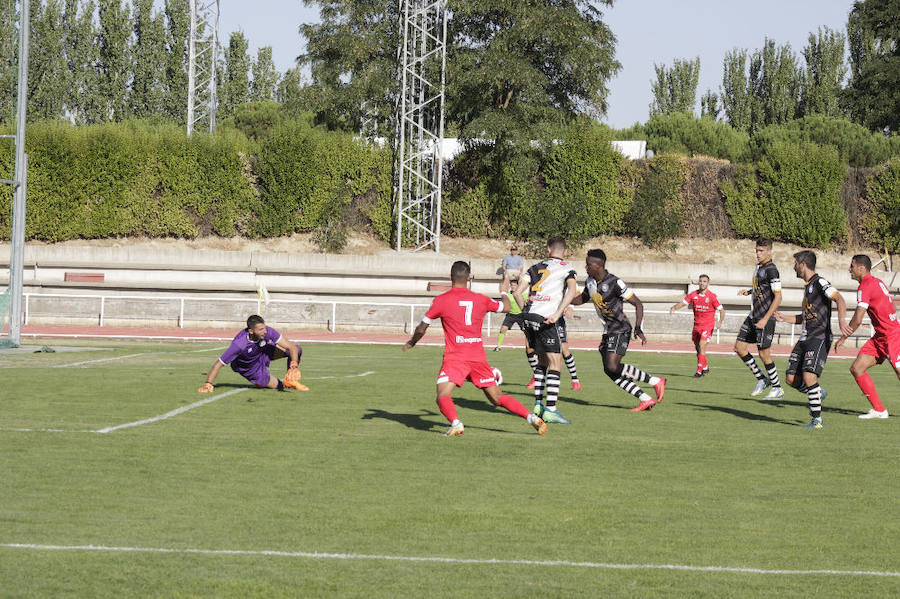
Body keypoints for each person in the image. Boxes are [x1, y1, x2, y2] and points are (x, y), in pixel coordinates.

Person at [403, 260, 547, 437]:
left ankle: (456, 423)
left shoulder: (441, 300)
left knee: (443, 395)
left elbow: (421, 327)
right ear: (469, 278)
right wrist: (503, 291)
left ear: (450, 277)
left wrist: (412, 342)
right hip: (478, 358)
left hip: (455, 358)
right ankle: (531, 417)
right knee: (497, 398)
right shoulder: (480, 299)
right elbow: (507, 307)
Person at [571, 249, 666, 412]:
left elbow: (638, 304)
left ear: (599, 265)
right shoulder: (590, 281)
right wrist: (563, 300)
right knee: (610, 370)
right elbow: (581, 299)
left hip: (620, 329)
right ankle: (645, 399)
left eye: (588, 264)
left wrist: (638, 327)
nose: (585, 267)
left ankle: (655, 381)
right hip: (607, 331)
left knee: (612, 366)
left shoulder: (615, 283)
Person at [774, 251, 850, 429]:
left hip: (819, 336)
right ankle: (817, 393)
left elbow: (839, 299)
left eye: (795, 264)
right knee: (791, 379)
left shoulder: (820, 282)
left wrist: (841, 321)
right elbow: (806, 316)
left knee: (809, 376)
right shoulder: (807, 286)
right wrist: (785, 318)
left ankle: (817, 420)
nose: (793, 267)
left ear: (802, 264)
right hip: (804, 337)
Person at [514, 236, 580, 423]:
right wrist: (559, 312)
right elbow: (572, 291)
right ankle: (551, 409)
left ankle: (538, 404)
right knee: (555, 363)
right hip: (548, 319)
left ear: (548, 249)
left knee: (541, 362)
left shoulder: (534, 267)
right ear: (565, 251)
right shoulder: (567, 268)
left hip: (530, 318)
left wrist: (526, 310)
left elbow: (518, 292)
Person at [834, 254, 900, 419]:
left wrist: (843, 338)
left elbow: (858, 318)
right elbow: (890, 303)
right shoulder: (876, 281)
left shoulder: (865, 286)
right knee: (857, 368)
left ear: (861, 268)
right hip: (880, 337)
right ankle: (879, 410)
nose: (850, 269)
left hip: (892, 336)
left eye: (852, 266)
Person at [198, 315, 308, 393]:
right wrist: (208, 384)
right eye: (261, 329)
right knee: (278, 386)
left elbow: (291, 347)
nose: (265, 331)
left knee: (297, 350)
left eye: (264, 328)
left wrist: (293, 366)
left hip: (262, 351)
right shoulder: (240, 344)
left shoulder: (267, 331)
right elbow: (218, 364)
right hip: (250, 367)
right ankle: (261, 381)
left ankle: (291, 381)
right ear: (251, 331)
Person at [735, 238, 784, 399]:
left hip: (764, 317)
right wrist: (748, 292)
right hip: (753, 315)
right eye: (757, 250)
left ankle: (777, 387)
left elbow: (778, 297)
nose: (758, 253)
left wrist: (766, 318)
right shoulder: (758, 267)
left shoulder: (772, 270)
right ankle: (762, 379)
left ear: (769, 251)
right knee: (740, 348)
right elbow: (761, 288)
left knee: (764, 354)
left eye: (761, 251)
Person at [669, 274, 725, 377]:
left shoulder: (712, 296)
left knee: (702, 345)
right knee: (697, 348)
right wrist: (674, 308)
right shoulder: (693, 295)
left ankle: (699, 371)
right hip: (696, 326)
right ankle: (705, 367)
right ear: (698, 282)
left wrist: (720, 321)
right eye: (701, 281)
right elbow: (683, 303)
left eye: (704, 281)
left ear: (708, 283)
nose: (702, 283)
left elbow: (722, 310)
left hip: (708, 326)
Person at [493, 275, 526, 351]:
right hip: (510, 315)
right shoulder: (508, 294)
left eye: (514, 285)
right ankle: (498, 347)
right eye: (512, 285)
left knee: (527, 331)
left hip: (520, 315)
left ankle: (531, 346)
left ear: (518, 286)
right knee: (503, 329)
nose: (513, 287)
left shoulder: (522, 294)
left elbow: (526, 303)